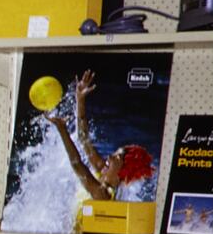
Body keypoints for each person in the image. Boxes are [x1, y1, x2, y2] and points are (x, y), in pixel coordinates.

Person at [46, 69, 155, 201]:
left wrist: (62, 130)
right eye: (115, 154)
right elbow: (84, 139)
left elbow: (77, 164)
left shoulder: (103, 195)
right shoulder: (103, 173)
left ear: (123, 172)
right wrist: (80, 100)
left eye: (116, 157)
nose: (109, 156)